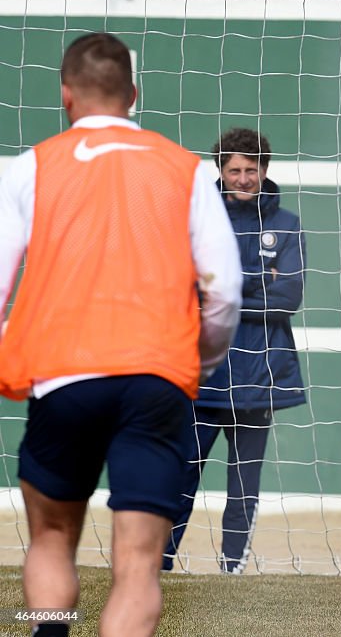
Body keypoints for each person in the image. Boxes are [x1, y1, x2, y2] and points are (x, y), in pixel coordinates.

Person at [0, 33, 241, 637]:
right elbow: (225, 291)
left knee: (51, 539)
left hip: (63, 376)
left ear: (65, 94)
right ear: (133, 95)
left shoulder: (29, 168)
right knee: (138, 566)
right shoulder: (186, 170)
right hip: (156, 380)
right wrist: (200, 363)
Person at [164, 128, 306, 574]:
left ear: (265, 172)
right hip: (202, 375)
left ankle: (232, 567)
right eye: (235, 170)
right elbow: (184, 291)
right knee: (181, 476)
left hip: (260, 378)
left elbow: (289, 296)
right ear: (221, 173)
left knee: (244, 485)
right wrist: (260, 279)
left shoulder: (286, 223)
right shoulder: (199, 222)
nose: (244, 178)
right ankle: (160, 562)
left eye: (252, 170)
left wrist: (224, 289)